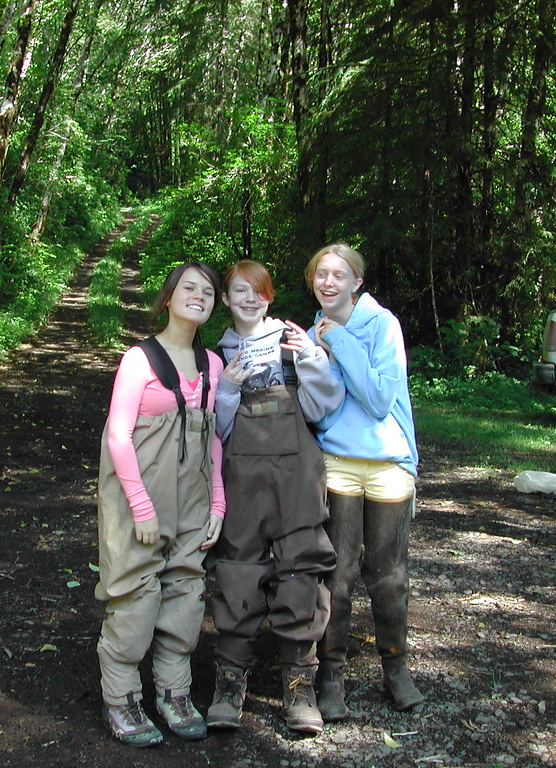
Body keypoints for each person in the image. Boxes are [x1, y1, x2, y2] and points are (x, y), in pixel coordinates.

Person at [207, 260, 341, 734]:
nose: (250, 298)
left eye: (258, 290)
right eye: (240, 291)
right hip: (242, 480)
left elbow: (324, 407)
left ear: (270, 295)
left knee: (301, 569)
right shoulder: (217, 355)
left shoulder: (293, 343)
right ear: (225, 299)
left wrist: (312, 358)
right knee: (238, 570)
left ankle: (300, 685)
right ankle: (229, 681)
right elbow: (216, 433)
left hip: (297, 480)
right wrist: (226, 389)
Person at [95, 262, 226, 748]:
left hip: (193, 503)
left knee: (185, 596)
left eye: (208, 291)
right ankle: (122, 697)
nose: (199, 296)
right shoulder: (139, 359)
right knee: (135, 596)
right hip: (139, 500)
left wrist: (218, 502)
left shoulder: (213, 365)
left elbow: (213, 440)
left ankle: (175, 692)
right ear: (168, 297)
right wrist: (142, 507)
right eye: (188, 288)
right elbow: (117, 435)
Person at [305, 243, 424, 719]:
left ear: (357, 282)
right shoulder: (313, 330)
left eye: (339, 274)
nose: (328, 282)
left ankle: (396, 668)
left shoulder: (383, 325)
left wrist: (341, 343)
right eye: (320, 274)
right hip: (337, 460)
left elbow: (377, 399)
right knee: (337, 574)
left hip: (388, 461)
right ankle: (330, 673)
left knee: (389, 575)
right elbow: (321, 403)